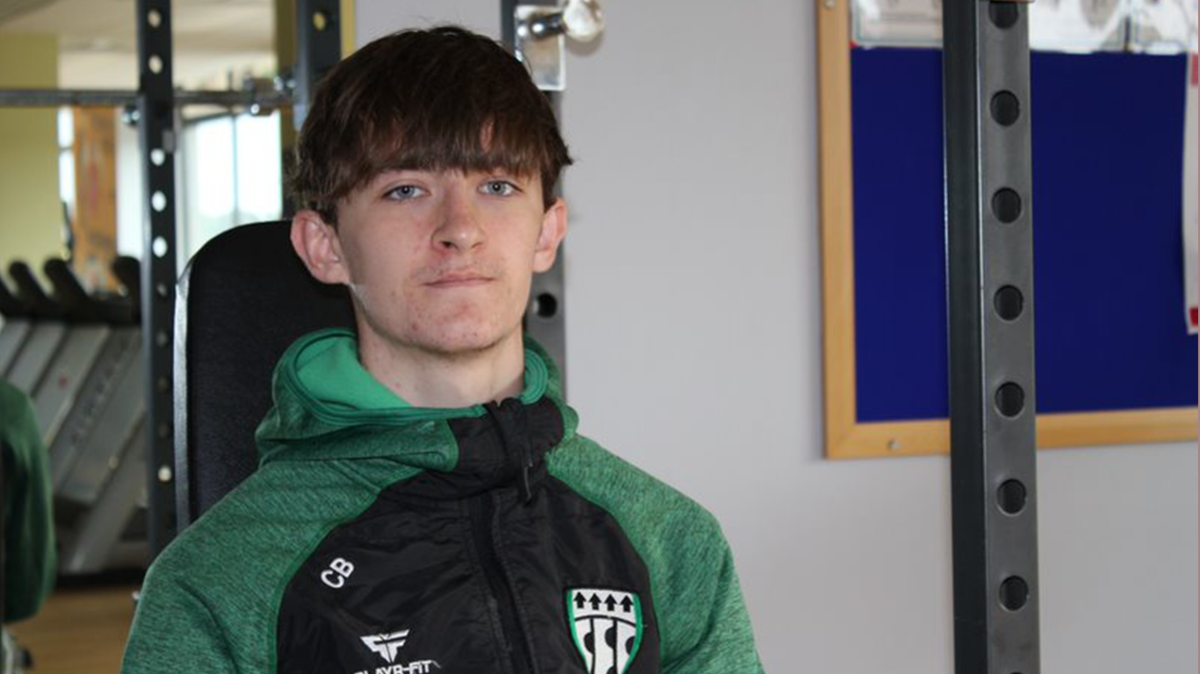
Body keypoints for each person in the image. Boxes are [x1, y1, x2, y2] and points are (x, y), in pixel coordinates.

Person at [123, 26, 764, 674]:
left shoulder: (672, 542)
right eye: (406, 189)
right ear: (327, 246)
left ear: (548, 233)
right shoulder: (218, 582)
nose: (460, 229)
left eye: (498, 187)